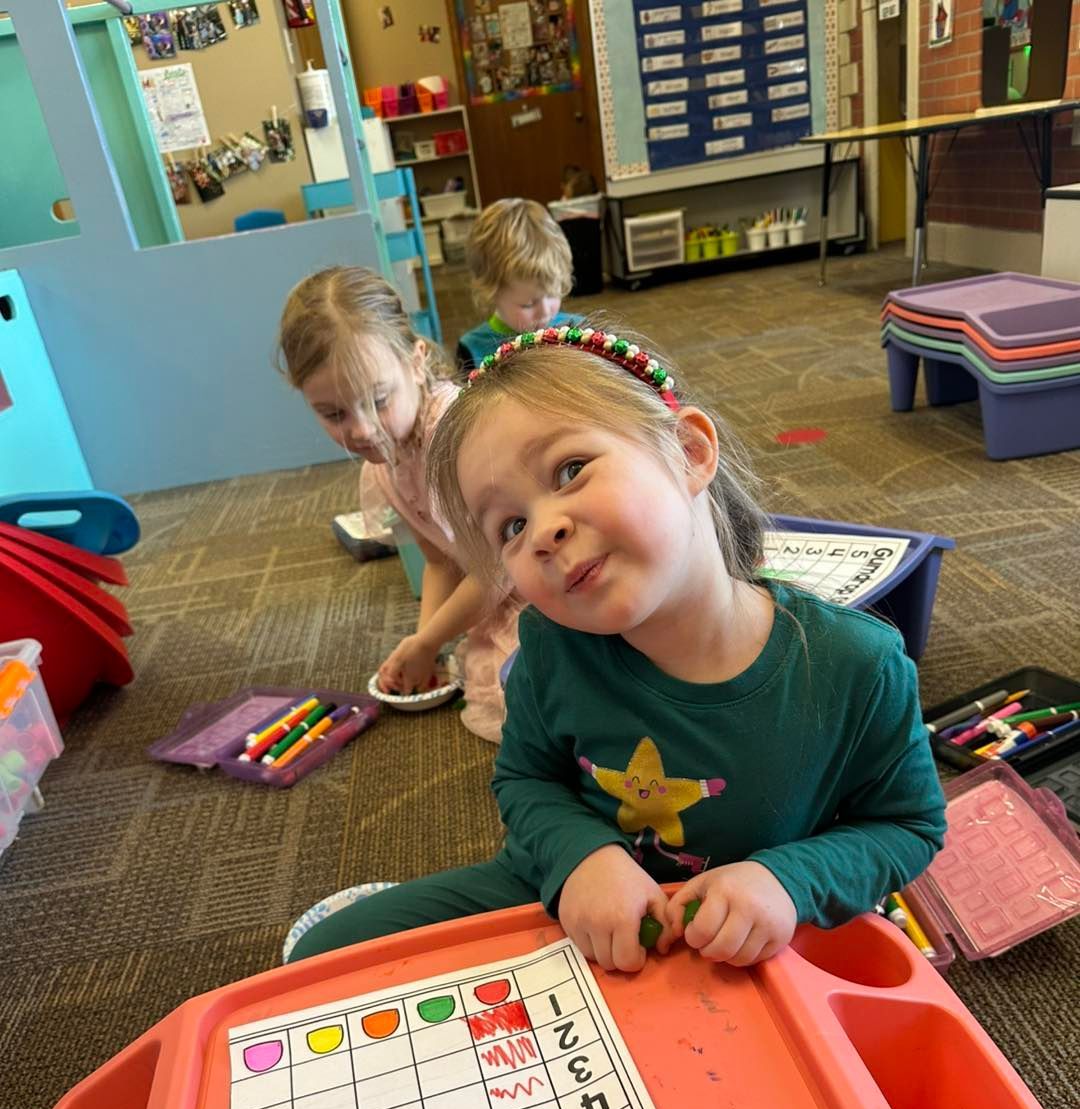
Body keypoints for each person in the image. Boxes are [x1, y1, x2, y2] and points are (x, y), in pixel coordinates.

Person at [285, 322, 946, 969]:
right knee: (321, 962)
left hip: (746, 941)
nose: (543, 530)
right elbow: (527, 778)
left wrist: (789, 881)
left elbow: (907, 826)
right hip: (565, 897)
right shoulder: (550, 643)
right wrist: (583, 858)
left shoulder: (857, 664)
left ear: (688, 451)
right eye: (509, 525)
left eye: (570, 469)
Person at [278, 266, 518, 740]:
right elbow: (440, 563)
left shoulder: (456, 434)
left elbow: (500, 566)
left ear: (416, 362)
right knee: (481, 675)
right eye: (333, 414)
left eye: (379, 399)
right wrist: (424, 643)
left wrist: (429, 641)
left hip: (538, 573)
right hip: (495, 594)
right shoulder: (384, 462)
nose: (361, 430)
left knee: (529, 696)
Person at [456, 198, 582, 371]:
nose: (545, 311)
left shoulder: (579, 331)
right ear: (491, 293)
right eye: (527, 304)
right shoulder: (473, 351)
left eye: (553, 293)